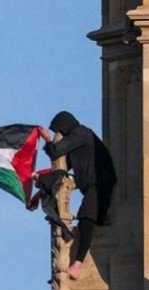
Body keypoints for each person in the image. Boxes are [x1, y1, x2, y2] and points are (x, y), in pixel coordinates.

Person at [38, 111, 116, 280]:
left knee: (86, 219)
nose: (58, 135)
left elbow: (57, 150)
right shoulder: (78, 140)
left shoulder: (80, 133)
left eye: (58, 131)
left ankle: (77, 264)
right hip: (94, 185)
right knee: (91, 218)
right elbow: (63, 169)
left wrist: (46, 139)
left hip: (100, 183)